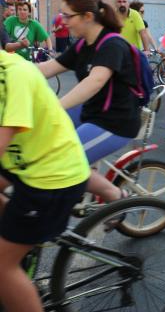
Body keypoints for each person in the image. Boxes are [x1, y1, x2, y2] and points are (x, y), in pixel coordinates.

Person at [0, 51, 90, 312]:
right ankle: (20, 241)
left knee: (2, 267)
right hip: (24, 162)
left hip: (52, 178)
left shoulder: (12, 74)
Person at [38, 0, 142, 204]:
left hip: (115, 122)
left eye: (67, 16)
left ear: (87, 16)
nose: (63, 21)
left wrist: (55, 106)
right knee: (41, 141)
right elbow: (48, 68)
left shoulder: (112, 45)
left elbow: (94, 82)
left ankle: (116, 196)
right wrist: (10, 69)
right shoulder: (82, 43)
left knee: (65, 161)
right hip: (91, 111)